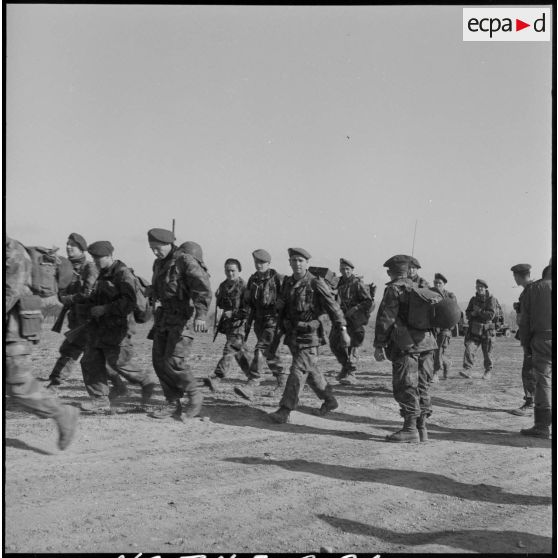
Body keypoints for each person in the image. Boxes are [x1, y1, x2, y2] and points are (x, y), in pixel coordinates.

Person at [5, 236, 79, 450]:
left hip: (13, 328)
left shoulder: (13, 252)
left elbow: (11, 292)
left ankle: (62, 413)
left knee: (19, 386)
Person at [269, 248, 350, 424]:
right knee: (310, 371)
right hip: (292, 335)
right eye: (294, 260)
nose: (297, 263)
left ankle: (285, 409)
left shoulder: (315, 283)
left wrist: (343, 330)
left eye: (300, 260)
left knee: (297, 370)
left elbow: (333, 308)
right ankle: (330, 400)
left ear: (306, 263)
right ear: (289, 262)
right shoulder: (287, 283)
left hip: (310, 336)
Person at [78, 241, 158, 413]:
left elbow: (129, 302)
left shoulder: (122, 274)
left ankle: (145, 381)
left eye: (99, 258)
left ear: (110, 256)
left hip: (118, 329)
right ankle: (99, 399)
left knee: (120, 363)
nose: (96, 261)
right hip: (99, 328)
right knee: (90, 361)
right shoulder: (103, 274)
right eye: (94, 258)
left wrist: (105, 309)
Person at [47, 233, 127, 396]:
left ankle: (55, 385)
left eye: (73, 245)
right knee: (90, 355)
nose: (68, 247)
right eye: (67, 244)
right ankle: (118, 385)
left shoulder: (90, 267)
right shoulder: (67, 268)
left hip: (89, 321)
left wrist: (68, 298)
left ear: (82, 249)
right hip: (77, 320)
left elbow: (88, 294)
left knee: (73, 352)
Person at [147, 231, 212, 419]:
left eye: (157, 248)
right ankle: (172, 402)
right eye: (152, 249)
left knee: (175, 361)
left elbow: (203, 287)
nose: (155, 253)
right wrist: (151, 290)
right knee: (159, 361)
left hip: (184, 318)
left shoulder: (185, 261)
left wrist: (201, 315)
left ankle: (195, 395)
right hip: (164, 318)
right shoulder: (159, 263)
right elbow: (163, 288)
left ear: (169, 244)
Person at [373, 255, 437, 442]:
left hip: (406, 345)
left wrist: (379, 344)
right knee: (423, 386)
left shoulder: (394, 289)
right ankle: (422, 429)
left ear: (390, 272)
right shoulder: (421, 287)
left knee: (406, 386)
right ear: (408, 270)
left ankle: (410, 429)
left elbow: (386, 319)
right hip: (427, 343)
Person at [234, 249, 287, 400]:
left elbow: (287, 298)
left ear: (269, 264)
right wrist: (247, 324)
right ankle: (282, 382)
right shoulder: (253, 280)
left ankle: (252, 383)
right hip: (259, 321)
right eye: (256, 262)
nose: (259, 265)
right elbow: (249, 304)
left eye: (262, 263)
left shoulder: (278, 279)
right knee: (271, 354)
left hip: (273, 321)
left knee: (261, 350)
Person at [204, 258, 250, 391]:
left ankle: (217, 377)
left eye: (233, 270)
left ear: (239, 271)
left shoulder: (244, 286)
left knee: (229, 349)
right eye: (227, 270)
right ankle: (253, 376)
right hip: (229, 325)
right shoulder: (223, 286)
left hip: (240, 324)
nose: (230, 273)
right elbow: (219, 304)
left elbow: (248, 309)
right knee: (240, 352)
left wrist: (233, 314)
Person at [518, 264, 552, 438]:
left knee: (543, 380)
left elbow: (524, 321)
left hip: (543, 340)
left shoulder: (536, 289)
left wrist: (526, 343)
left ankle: (542, 426)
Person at [329, 258, 373, 385]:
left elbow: (368, 301)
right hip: (340, 318)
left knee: (353, 345)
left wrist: (355, 308)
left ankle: (351, 373)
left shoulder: (357, 283)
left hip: (354, 319)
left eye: (347, 269)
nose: (345, 271)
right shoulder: (338, 282)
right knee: (334, 343)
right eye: (342, 269)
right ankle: (345, 367)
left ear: (352, 270)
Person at [509, 264, 536, 416]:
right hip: (530, 336)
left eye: (515, 276)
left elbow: (530, 315)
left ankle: (531, 403)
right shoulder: (529, 290)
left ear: (519, 276)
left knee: (529, 371)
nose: (514, 279)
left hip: (532, 337)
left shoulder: (531, 290)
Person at [461, 279, 497, 379]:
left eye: (481, 287)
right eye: (478, 287)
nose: (479, 288)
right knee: (469, 348)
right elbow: (468, 312)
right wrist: (472, 314)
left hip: (487, 331)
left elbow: (491, 315)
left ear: (485, 288)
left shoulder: (491, 299)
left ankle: (488, 371)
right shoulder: (473, 300)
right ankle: (467, 369)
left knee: (487, 353)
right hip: (475, 330)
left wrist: (479, 311)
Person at [430, 273, 457, 382]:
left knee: (438, 350)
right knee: (434, 351)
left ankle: (435, 373)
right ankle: (447, 363)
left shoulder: (449, 296)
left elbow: (453, 312)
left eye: (440, 283)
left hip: (445, 329)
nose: (437, 285)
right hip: (432, 327)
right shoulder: (429, 293)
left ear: (444, 284)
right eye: (435, 282)